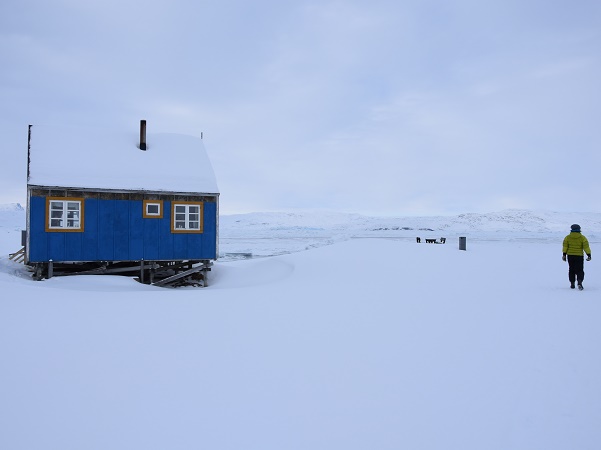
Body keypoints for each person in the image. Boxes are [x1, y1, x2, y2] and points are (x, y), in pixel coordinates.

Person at [562, 224, 592, 290]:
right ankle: (579, 282)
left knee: (571, 269)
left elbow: (565, 246)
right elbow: (586, 247)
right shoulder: (582, 238)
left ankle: (572, 283)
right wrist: (588, 254)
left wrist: (564, 254)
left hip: (570, 256)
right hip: (579, 256)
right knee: (580, 270)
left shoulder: (567, 237)